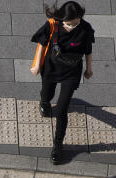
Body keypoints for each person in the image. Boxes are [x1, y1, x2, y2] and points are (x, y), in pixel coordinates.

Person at [30, 2, 94, 165]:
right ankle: (44, 102)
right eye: (68, 24)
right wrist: (37, 64)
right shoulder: (52, 25)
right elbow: (42, 43)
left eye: (75, 23)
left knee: (61, 110)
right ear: (62, 19)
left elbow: (88, 50)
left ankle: (57, 146)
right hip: (51, 67)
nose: (72, 27)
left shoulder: (85, 29)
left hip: (71, 72)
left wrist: (89, 69)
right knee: (47, 93)